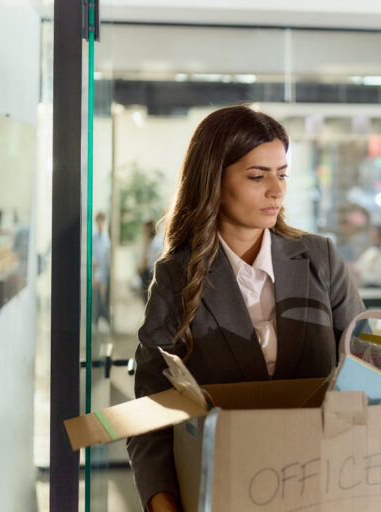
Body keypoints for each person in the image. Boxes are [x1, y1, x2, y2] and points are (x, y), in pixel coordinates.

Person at [126, 105, 367, 512]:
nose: (277, 190)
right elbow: (151, 408)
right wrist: (163, 502)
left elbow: (368, 367)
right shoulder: (177, 276)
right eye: (258, 176)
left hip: (325, 484)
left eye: (283, 174)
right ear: (213, 181)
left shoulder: (319, 258)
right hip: (225, 489)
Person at [92, 211, 111, 325]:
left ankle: (102, 316)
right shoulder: (93, 238)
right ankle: (96, 319)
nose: (100, 223)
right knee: (95, 296)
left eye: (102, 221)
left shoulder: (106, 238)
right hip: (95, 271)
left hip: (103, 272)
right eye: (98, 221)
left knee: (103, 298)